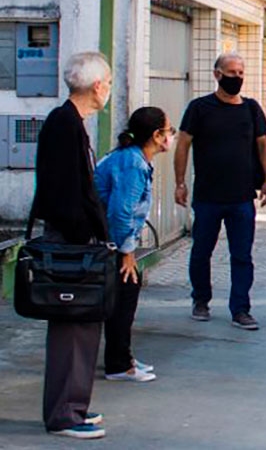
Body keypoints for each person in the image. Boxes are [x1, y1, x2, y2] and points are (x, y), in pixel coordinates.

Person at [31, 52, 112, 439]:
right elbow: (62, 193)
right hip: (70, 242)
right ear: (98, 86)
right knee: (72, 325)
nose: (108, 89)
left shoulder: (70, 122)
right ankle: (65, 413)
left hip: (76, 237)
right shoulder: (64, 124)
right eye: (109, 82)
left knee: (84, 325)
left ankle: (74, 404)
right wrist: (86, 239)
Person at [174, 53, 266, 330]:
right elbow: (182, 144)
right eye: (231, 73)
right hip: (207, 197)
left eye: (241, 73)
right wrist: (179, 182)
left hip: (242, 198)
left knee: (242, 255)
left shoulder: (251, 109)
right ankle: (201, 300)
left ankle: (240, 308)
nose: (237, 78)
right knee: (201, 251)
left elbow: (264, 145)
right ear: (217, 74)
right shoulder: (199, 108)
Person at [95, 107, 174, 384]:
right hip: (109, 242)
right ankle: (118, 364)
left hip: (112, 240)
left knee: (126, 291)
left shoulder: (133, 159)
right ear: (156, 135)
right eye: (168, 131)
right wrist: (126, 253)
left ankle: (123, 357)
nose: (170, 136)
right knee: (125, 292)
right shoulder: (133, 163)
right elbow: (120, 211)